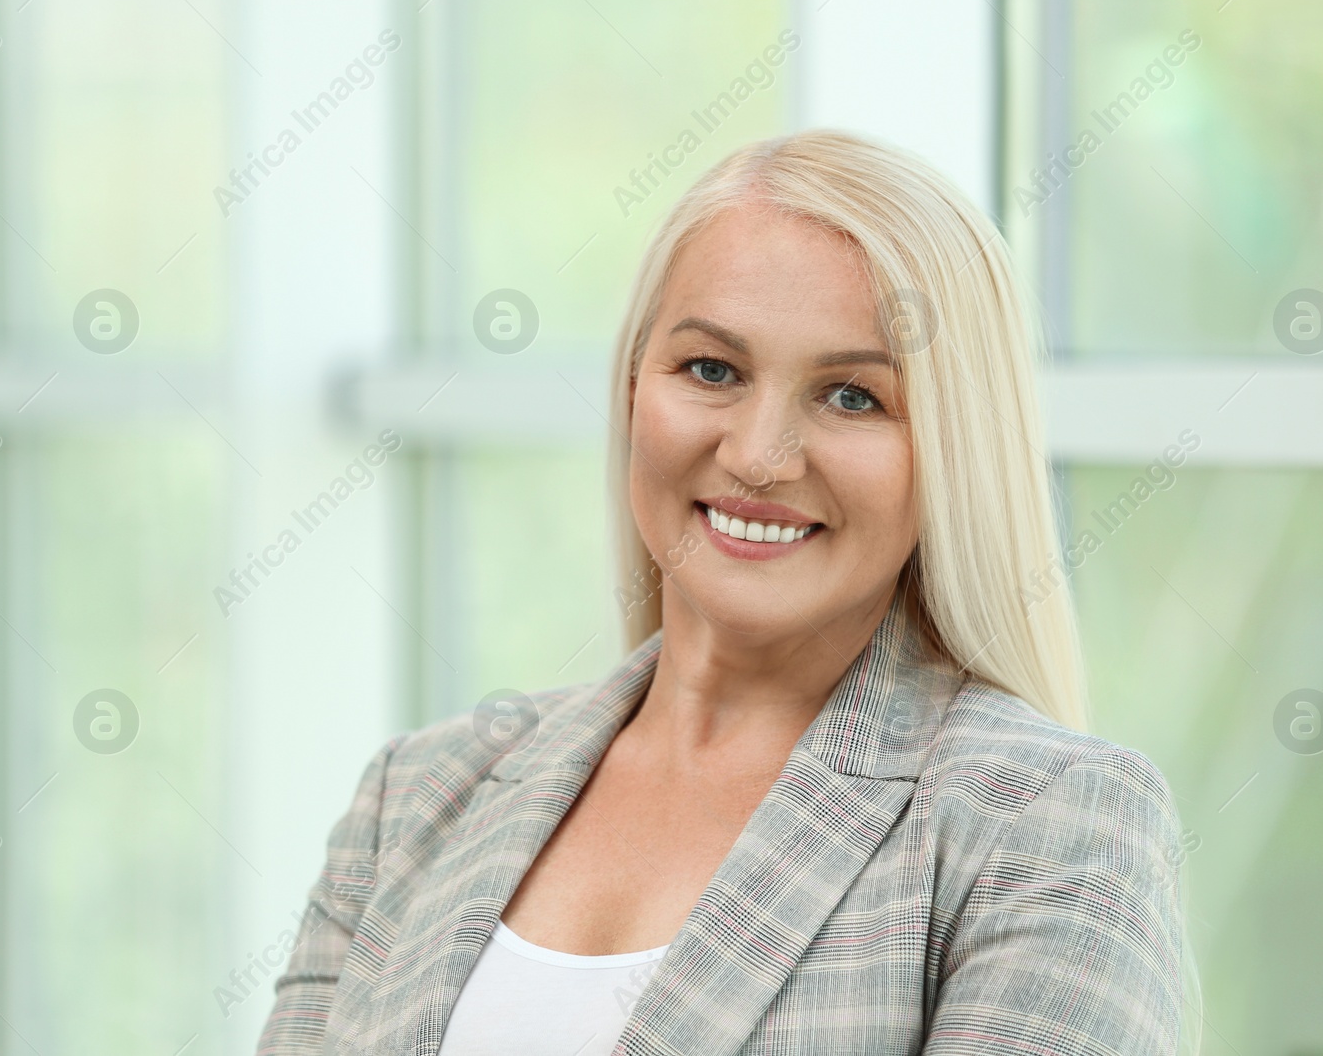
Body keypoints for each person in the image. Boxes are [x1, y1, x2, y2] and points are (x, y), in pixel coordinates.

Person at [256, 129, 1187, 1056]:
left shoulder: (1054, 825)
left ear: (952, 445)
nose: (756, 456)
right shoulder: (417, 796)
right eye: (712, 370)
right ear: (632, 389)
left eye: (852, 395)